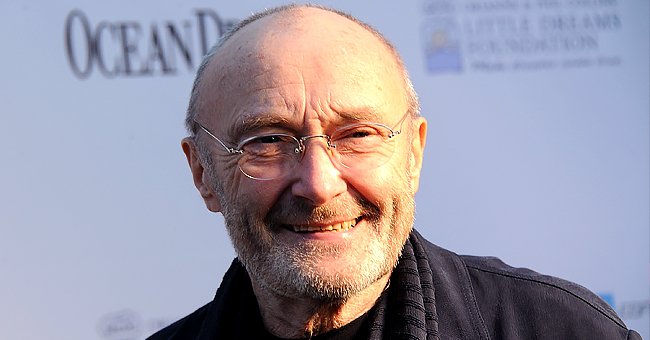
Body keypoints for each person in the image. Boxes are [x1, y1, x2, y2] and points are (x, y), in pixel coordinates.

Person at [147, 4, 641, 340]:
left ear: (413, 153)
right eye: (268, 142)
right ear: (202, 173)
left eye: (357, 135)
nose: (319, 183)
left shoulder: (558, 330)